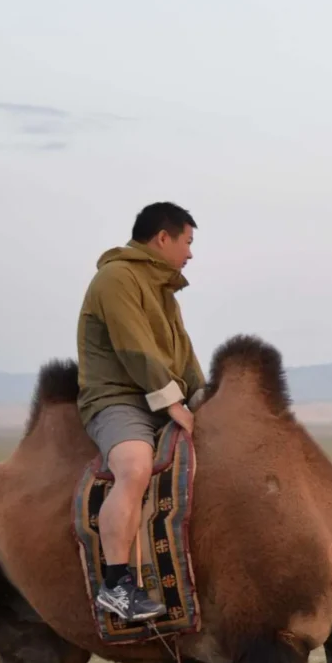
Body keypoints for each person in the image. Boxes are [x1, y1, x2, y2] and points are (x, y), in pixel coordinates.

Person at [78, 201, 204, 625]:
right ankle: (115, 585)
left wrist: (205, 399)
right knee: (134, 466)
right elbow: (135, 349)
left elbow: (183, 356)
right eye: (187, 242)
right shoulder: (116, 278)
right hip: (118, 400)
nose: (190, 253)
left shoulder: (163, 291)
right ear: (163, 238)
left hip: (157, 397)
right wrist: (172, 403)